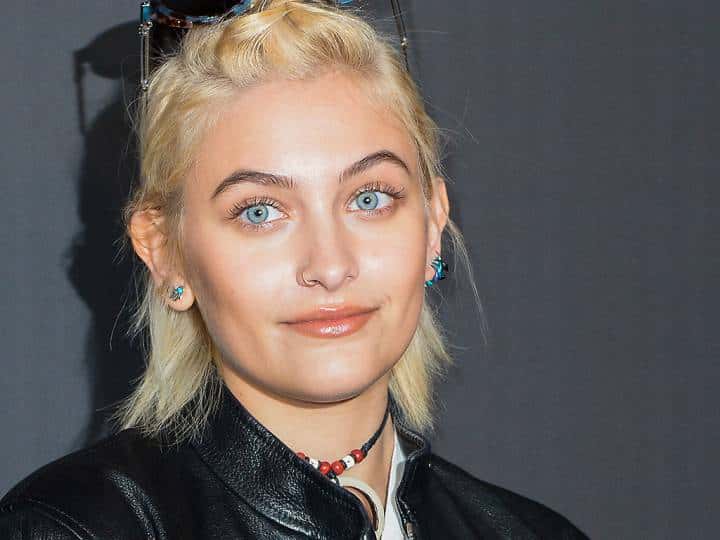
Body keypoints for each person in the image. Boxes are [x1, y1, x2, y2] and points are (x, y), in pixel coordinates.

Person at [0, 1, 589, 538]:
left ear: (433, 222)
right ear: (164, 251)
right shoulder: (74, 528)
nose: (329, 267)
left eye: (370, 199)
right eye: (260, 211)